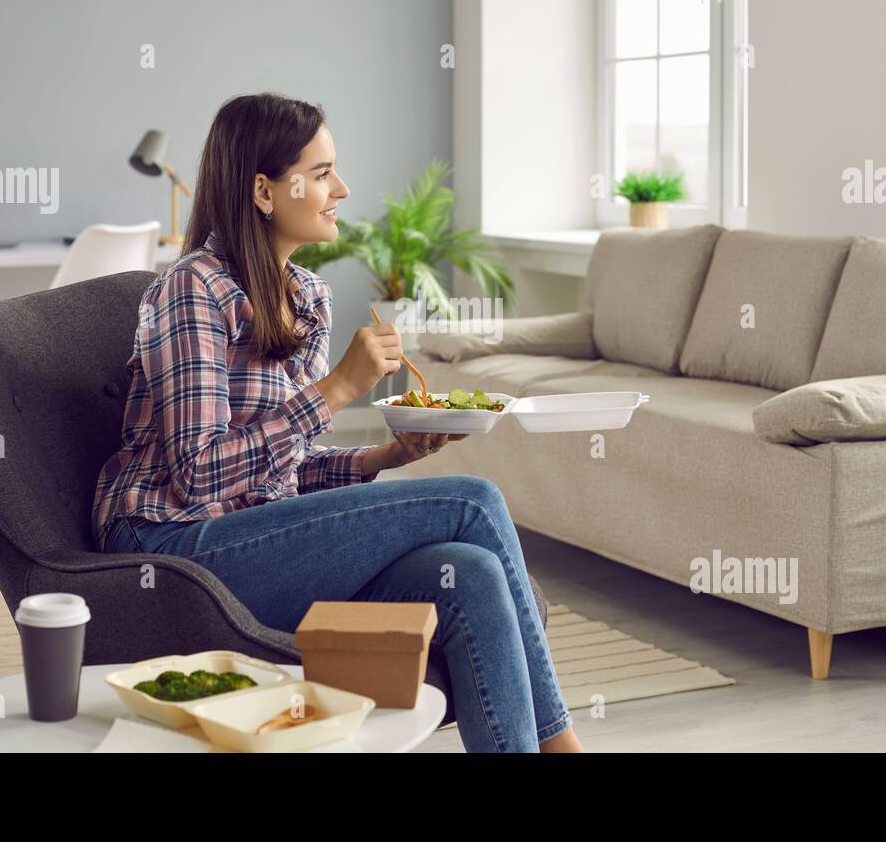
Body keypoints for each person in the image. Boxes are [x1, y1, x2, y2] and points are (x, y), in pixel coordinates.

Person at [92, 92, 581, 753]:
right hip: (174, 547)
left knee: (469, 570)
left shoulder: (307, 299)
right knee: (476, 501)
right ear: (265, 191)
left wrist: (385, 457)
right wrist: (339, 387)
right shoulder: (192, 289)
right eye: (321, 173)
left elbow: (282, 475)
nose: (342, 189)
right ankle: (567, 747)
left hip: (252, 543)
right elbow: (198, 473)